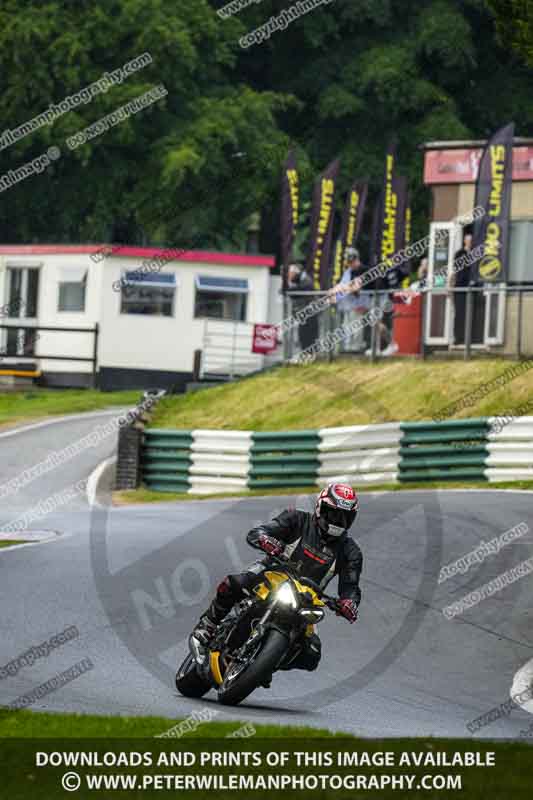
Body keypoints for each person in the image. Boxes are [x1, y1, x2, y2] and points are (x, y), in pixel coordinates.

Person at [193, 483, 363, 672]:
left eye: (344, 518)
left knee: (312, 655)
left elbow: (351, 586)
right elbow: (259, 532)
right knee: (235, 583)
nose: (337, 522)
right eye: (333, 514)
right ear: (320, 508)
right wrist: (266, 539)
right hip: (272, 572)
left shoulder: (351, 551)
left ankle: (268, 661)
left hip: (308, 598)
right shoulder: (296, 518)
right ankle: (208, 625)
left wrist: (349, 602)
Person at [333, 247, 369, 353]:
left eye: (351, 261)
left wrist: (348, 288)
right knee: (347, 325)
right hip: (348, 304)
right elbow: (344, 285)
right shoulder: (349, 271)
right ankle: (348, 347)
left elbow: (358, 288)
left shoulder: (363, 270)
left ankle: (357, 348)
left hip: (360, 302)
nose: (350, 264)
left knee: (357, 326)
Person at [287, 263, 319, 352]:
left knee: (308, 336)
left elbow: (300, 290)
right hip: (304, 313)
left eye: (291, 274)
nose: (290, 276)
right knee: (303, 336)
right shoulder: (299, 280)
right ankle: (305, 352)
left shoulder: (306, 280)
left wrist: (289, 288)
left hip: (310, 312)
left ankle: (310, 353)